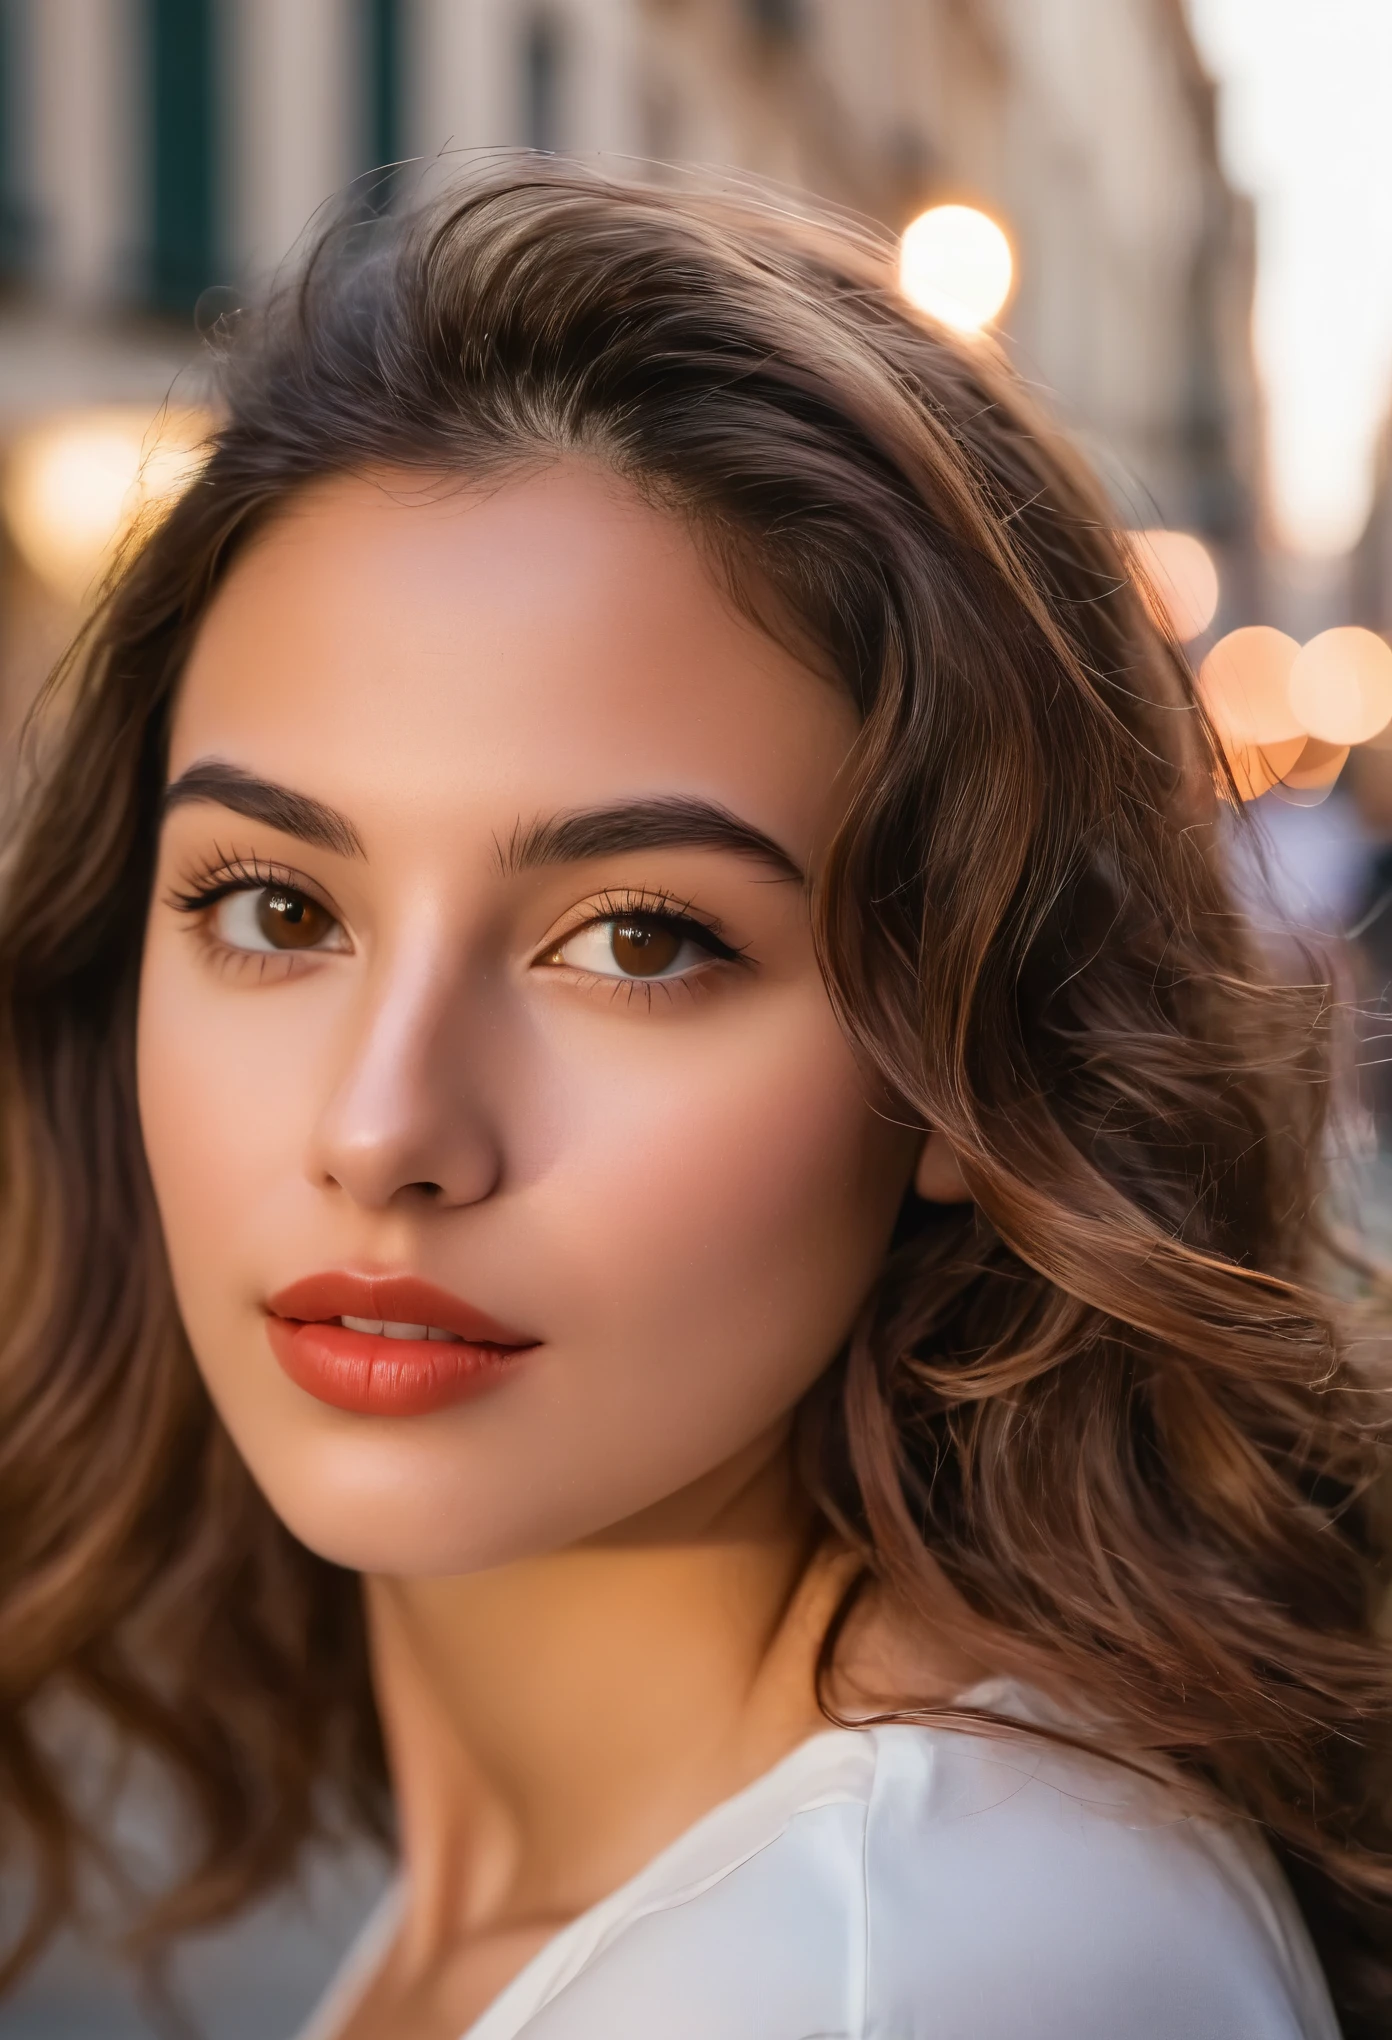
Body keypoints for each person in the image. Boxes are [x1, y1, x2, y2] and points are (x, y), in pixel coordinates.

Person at [0, 162, 1387, 2040]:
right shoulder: (764, 1898)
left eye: (638, 943)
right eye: (276, 907)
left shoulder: (890, 1970)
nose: (384, 1128)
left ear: (966, 1077)